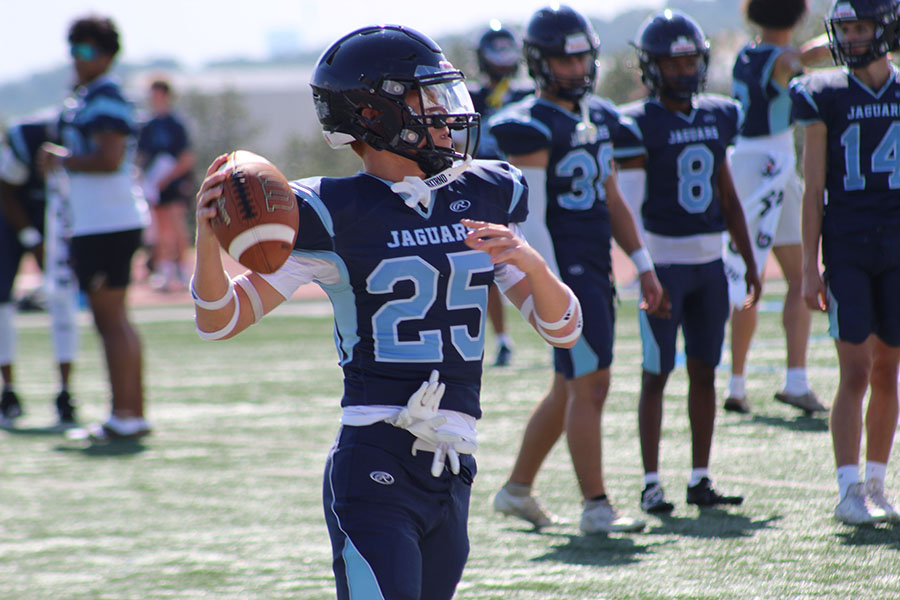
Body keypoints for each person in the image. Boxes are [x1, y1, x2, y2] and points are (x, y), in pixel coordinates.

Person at [192, 24, 582, 599]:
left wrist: (531, 263)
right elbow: (218, 318)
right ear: (375, 114)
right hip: (375, 457)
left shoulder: (485, 191)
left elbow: (566, 328)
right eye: (426, 98)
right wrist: (207, 236)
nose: (445, 113)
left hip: (453, 465)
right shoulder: (331, 211)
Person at [488, 4, 664, 534]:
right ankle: (596, 505)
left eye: (583, 56)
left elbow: (612, 198)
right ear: (540, 63)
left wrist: (643, 263)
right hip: (568, 271)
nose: (577, 68)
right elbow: (532, 220)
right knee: (591, 384)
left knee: (569, 386)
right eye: (565, 60)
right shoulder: (532, 124)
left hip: (594, 267)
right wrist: (552, 287)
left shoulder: (596, 116)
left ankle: (517, 490)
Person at [616, 9, 762, 514]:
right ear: (652, 67)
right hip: (665, 266)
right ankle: (651, 481)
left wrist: (747, 255)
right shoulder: (637, 122)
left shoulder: (718, 113)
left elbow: (727, 193)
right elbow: (629, 205)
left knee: (705, 370)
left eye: (689, 61)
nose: (683, 71)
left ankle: (701, 478)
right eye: (672, 63)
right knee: (656, 372)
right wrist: (642, 269)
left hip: (710, 266)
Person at [791, 0, 900, 525]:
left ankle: (879, 482)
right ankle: (848, 488)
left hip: (898, 246)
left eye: (861, 27)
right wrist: (811, 268)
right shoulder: (823, 93)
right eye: (846, 29)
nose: (852, 38)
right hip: (849, 244)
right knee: (854, 368)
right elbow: (813, 190)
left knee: (888, 368)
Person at [38, 15, 150, 439]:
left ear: (104, 54)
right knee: (112, 319)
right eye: (74, 50)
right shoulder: (93, 94)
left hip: (108, 222)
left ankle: (126, 414)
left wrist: (61, 158)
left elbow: (108, 159)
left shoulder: (105, 95)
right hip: (102, 221)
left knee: (111, 319)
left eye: (85, 51)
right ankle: (128, 412)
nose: (77, 59)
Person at [723, 0, 832, 415]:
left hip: (741, 165)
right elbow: (802, 59)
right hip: (773, 166)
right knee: (798, 276)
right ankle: (796, 380)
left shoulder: (745, 53)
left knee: (745, 278)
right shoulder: (782, 58)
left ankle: (736, 384)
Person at [0, 117, 79, 426]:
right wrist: (31, 237)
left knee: (62, 297)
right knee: (1, 298)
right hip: (12, 218)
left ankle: (65, 392)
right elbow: (4, 189)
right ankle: (9, 391)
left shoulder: (93, 142)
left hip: (60, 218)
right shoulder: (27, 137)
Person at [469, 22, 534, 367]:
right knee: (487, 265)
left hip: (528, 187)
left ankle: (559, 322)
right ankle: (503, 339)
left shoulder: (528, 95)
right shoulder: (472, 97)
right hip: (485, 191)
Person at [137, 78, 195, 292]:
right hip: (154, 184)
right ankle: (164, 269)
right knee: (159, 228)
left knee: (177, 226)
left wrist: (168, 178)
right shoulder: (148, 125)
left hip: (174, 183)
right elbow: (142, 156)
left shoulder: (176, 124)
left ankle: (183, 268)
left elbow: (186, 157)